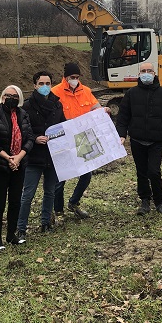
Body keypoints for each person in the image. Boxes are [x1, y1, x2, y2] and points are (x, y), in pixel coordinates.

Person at [116, 62, 162, 215]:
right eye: (143, 71)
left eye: (149, 71)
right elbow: (123, 116)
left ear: (154, 74)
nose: (146, 73)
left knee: (154, 171)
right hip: (137, 140)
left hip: (156, 141)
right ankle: (144, 201)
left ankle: (159, 201)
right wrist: (122, 134)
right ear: (139, 74)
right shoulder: (131, 94)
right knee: (141, 172)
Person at [51, 62, 109, 219]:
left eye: (77, 77)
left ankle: (74, 202)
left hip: (83, 139)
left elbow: (95, 107)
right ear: (65, 77)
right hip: (63, 140)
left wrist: (103, 111)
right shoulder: (55, 92)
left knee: (86, 175)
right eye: (72, 77)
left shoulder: (86, 91)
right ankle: (58, 210)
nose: (75, 80)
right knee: (61, 178)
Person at [0, 85, 34, 250]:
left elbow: (30, 138)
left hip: (18, 165)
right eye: (8, 95)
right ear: (2, 96)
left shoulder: (23, 115)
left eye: (15, 96)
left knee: (15, 201)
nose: (11, 98)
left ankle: (11, 235)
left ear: (19, 99)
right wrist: (7, 157)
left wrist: (18, 157)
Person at [16, 71, 65, 239]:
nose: (45, 87)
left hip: (52, 156)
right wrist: (35, 138)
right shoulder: (26, 107)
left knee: (50, 191)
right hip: (33, 157)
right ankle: (21, 227)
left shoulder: (57, 105)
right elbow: (22, 131)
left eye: (48, 83)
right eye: (41, 84)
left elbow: (63, 125)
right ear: (34, 86)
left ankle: (46, 223)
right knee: (28, 194)